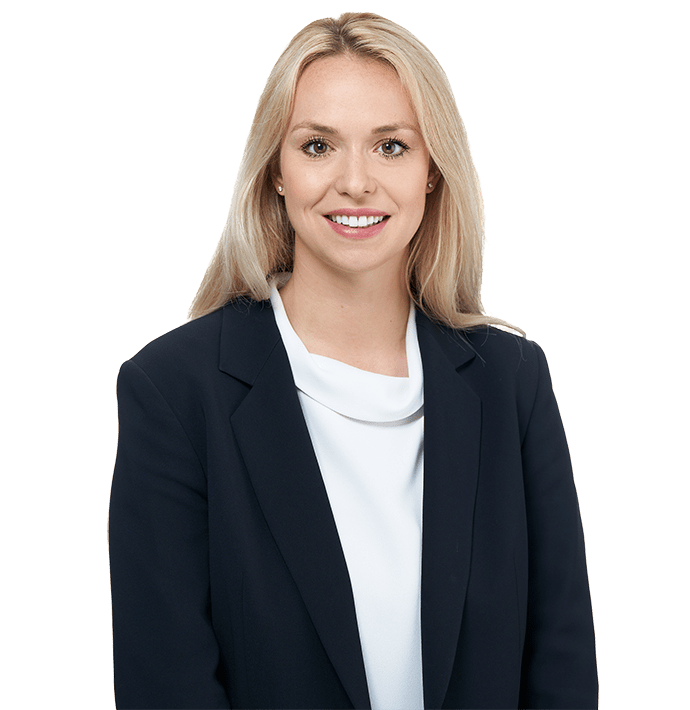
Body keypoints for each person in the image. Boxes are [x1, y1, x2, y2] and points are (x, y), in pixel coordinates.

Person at [107, 11, 598, 710]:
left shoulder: (513, 383)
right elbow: (167, 686)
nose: (356, 182)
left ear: (433, 173)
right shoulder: (175, 393)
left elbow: (561, 671)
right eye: (318, 146)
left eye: (391, 147)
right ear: (276, 172)